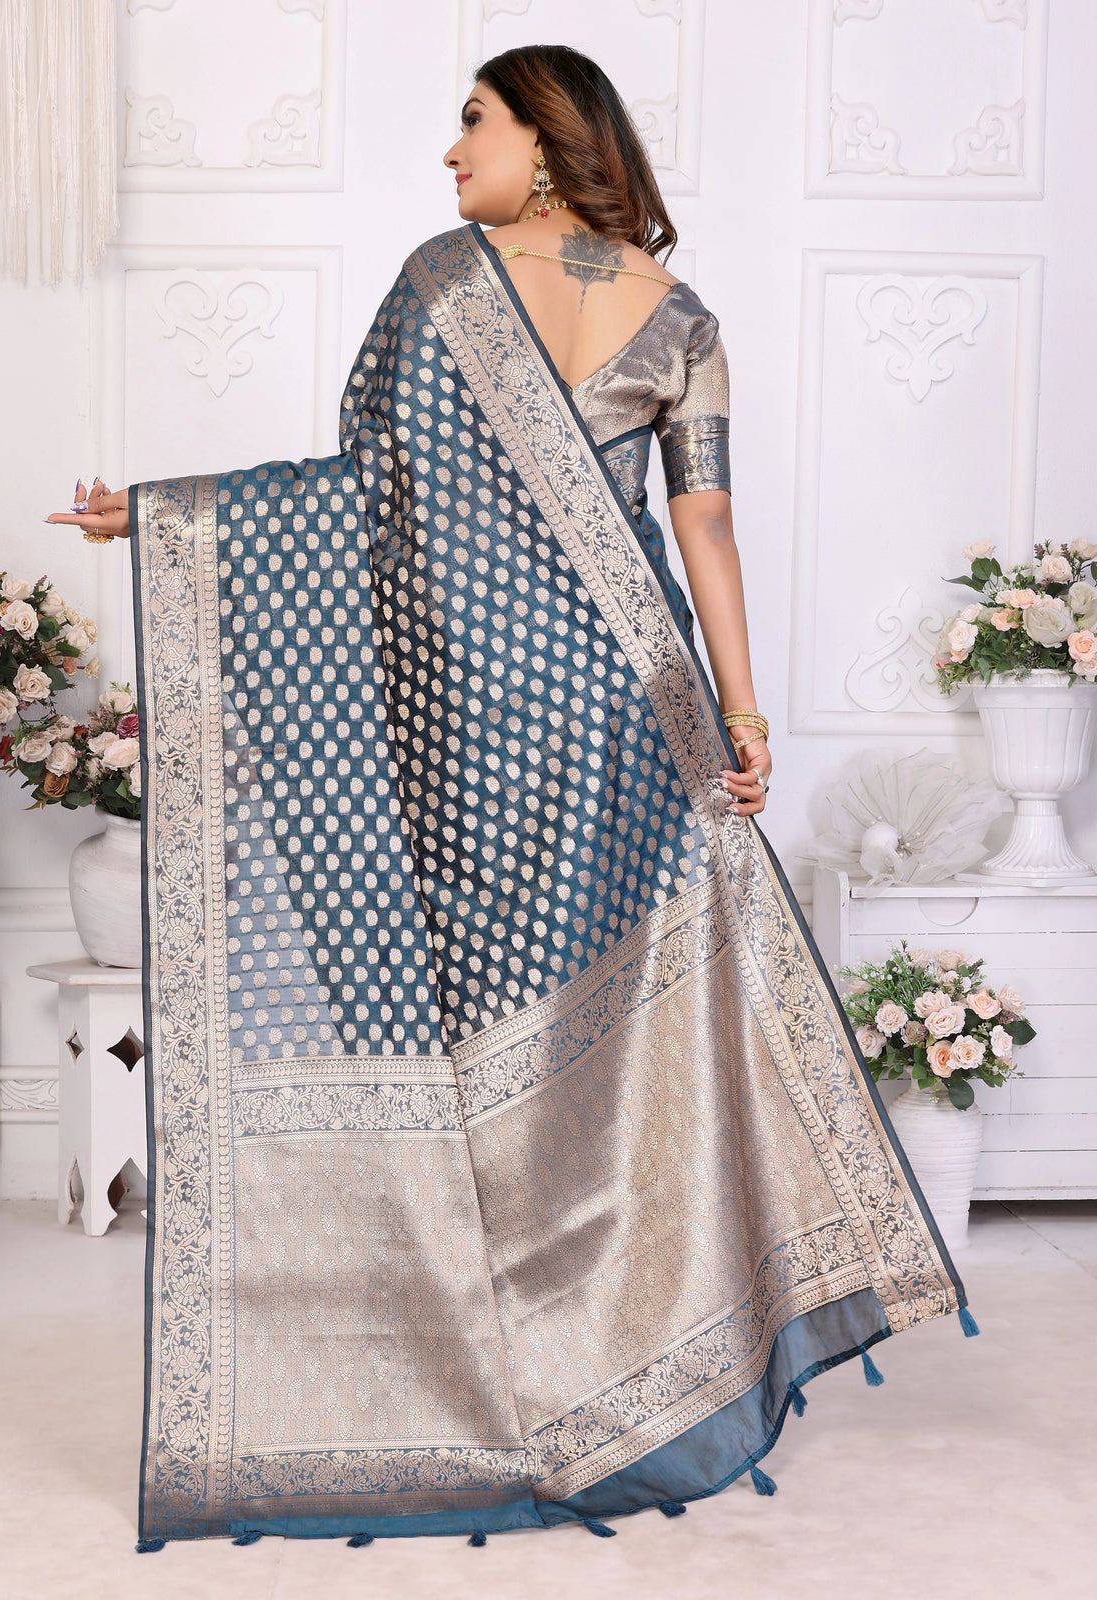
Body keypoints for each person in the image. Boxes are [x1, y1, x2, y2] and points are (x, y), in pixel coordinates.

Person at [49, 44, 970, 1554]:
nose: (449, 151)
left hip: (471, 722)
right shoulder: (678, 317)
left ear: (544, 139)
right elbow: (709, 523)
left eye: (471, 119)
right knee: (625, 1053)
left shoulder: (442, 283)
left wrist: (163, 518)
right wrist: (741, 716)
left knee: (480, 1042)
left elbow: (358, 493)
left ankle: (512, 1375)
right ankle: (629, 1366)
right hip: (629, 712)